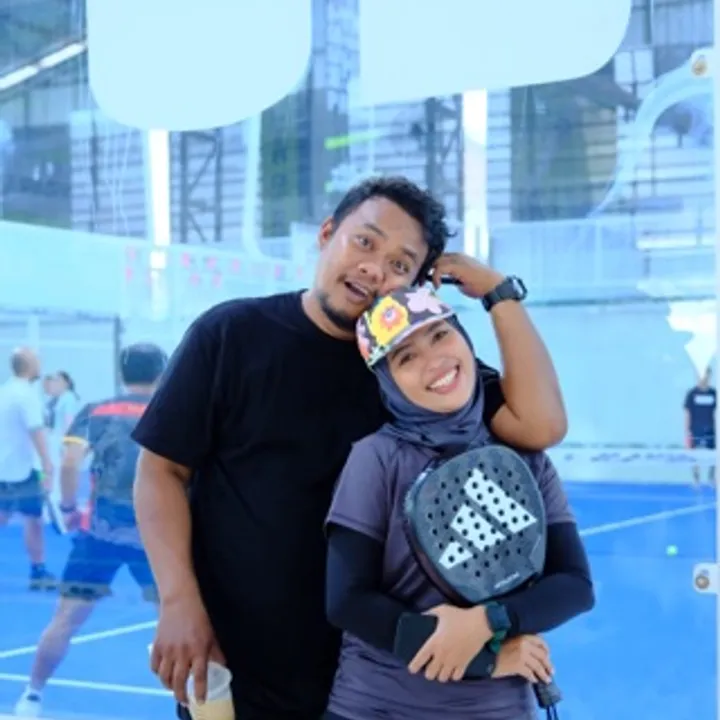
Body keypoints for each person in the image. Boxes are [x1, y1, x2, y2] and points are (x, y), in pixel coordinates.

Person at [131, 176, 568, 719]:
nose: (374, 269)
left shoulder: (412, 369)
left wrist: (499, 294)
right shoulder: (231, 334)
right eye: (365, 242)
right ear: (327, 233)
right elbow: (161, 471)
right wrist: (178, 602)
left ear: (415, 287)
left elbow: (540, 425)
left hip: (379, 681)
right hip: (244, 668)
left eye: (400, 264)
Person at [324, 287, 594, 720]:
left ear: (465, 340)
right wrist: (484, 660)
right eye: (405, 357)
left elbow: (575, 586)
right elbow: (348, 601)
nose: (433, 360)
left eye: (439, 335)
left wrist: (490, 621)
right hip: (373, 708)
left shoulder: (525, 458)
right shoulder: (376, 458)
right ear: (387, 381)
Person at [13, 343, 168, 718]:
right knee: (178, 619)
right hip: (158, 538)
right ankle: (201, 704)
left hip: (99, 536)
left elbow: (70, 462)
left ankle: (31, 696)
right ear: (162, 372)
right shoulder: (172, 411)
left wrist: (68, 508)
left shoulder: (96, 410)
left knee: (65, 618)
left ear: (121, 373)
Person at [0, 348, 56, 591]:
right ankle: (38, 571)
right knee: (34, 520)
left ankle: (38, 570)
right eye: (37, 361)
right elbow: (36, 431)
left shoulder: (4, 391)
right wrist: (48, 465)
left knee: (5, 517)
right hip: (22, 470)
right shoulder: (27, 395)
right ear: (30, 366)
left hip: (5, 468)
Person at [684, 366, 716, 485]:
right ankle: (696, 479)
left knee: (714, 454)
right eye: (701, 376)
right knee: (694, 456)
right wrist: (687, 431)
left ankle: (712, 477)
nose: (703, 378)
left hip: (711, 430)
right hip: (695, 429)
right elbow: (687, 413)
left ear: (709, 376)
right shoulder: (691, 394)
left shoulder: (714, 394)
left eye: (706, 375)